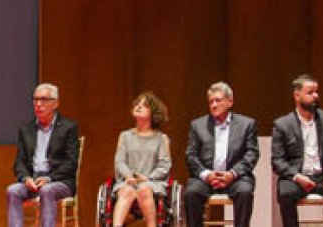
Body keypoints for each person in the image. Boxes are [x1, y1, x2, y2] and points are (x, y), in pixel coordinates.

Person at [271, 74, 323, 227]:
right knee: (286, 194)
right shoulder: (282, 124)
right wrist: (296, 176)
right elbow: (277, 160)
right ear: (297, 96)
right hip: (296, 178)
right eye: (310, 93)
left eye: (316, 92)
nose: (316, 96)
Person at [184, 82, 259, 227]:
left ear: (230, 101)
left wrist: (232, 174)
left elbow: (252, 154)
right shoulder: (197, 125)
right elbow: (191, 155)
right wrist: (207, 175)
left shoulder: (247, 124)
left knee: (245, 192)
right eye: (211, 101)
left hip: (236, 177)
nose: (213, 105)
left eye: (217, 100)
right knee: (191, 193)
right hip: (207, 178)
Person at [6, 83, 81, 227]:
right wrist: (25, 178)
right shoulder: (26, 129)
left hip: (60, 182)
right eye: (36, 100)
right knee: (13, 190)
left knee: (47, 190)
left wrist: (49, 178)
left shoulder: (68, 128)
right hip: (33, 182)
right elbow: (19, 162)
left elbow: (71, 163)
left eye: (44, 100)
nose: (39, 104)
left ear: (55, 103)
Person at [110, 91, 172, 227]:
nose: (138, 106)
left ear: (153, 113)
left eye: (144, 105)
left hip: (153, 182)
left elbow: (164, 165)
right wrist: (127, 175)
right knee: (127, 190)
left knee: (144, 189)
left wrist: (148, 178)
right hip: (128, 181)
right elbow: (119, 161)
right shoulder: (125, 136)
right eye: (137, 104)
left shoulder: (161, 138)